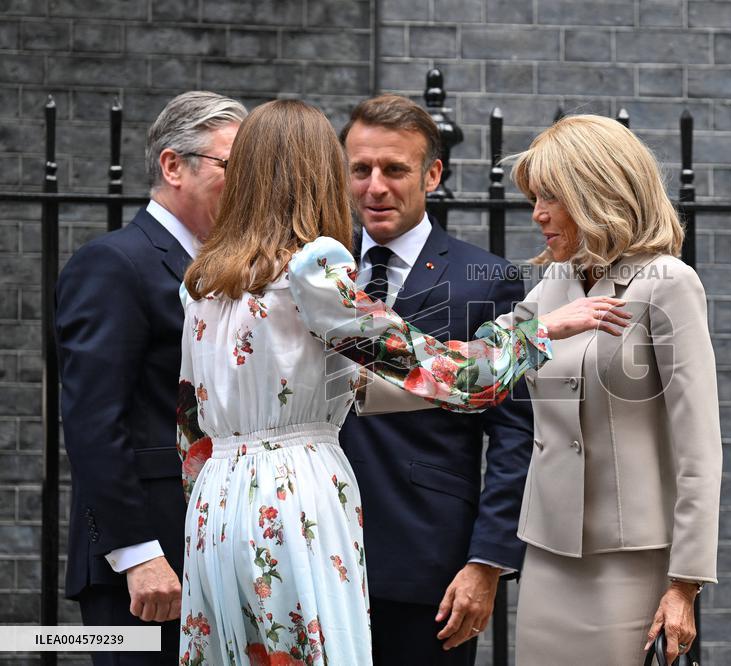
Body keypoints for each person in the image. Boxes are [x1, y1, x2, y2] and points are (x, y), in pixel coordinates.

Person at [174, 99, 630, 665]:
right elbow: (452, 379)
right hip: (293, 501)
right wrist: (542, 331)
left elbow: (191, 432)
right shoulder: (314, 268)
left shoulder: (202, 280)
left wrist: (213, 510)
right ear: (318, 172)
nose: (366, 187)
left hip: (217, 506)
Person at [503, 115, 723, 666]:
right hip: (548, 552)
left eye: (550, 196)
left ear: (594, 192)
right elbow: (484, 366)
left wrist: (686, 582)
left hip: (631, 563)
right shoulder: (551, 287)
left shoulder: (667, 283)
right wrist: (364, 381)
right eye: (534, 197)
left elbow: (699, 446)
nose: (537, 214)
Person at [337, 94, 533, 665]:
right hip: (315, 550)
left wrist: (486, 562)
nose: (375, 187)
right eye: (361, 169)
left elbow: (515, 433)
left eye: (395, 170)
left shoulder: (488, 280)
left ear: (432, 174)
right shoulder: (315, 269)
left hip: (429, 565)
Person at [54, 91, 246, 666]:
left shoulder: (229, 270)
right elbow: (92, 420)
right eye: (232, 167)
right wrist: (138, 554)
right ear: (172, 166)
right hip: (143, 568)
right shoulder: (114, 263)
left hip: (214, 547)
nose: (246, 186)